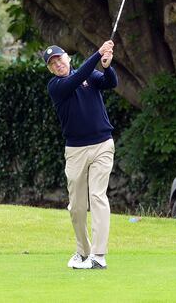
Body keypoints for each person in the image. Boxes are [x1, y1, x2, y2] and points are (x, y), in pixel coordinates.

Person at [45, 40, 117, 270]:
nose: (58, 65)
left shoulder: (90, 75)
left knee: (98, 196)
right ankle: (83, 252)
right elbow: (75, 81)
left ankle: (98, 255)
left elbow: (110, 83)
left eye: (60, 59)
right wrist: (98, 53)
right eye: (52, 64)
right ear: (50, 69)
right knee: (76, 206)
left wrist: (106, 66)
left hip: (103, 145)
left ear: (68, 58)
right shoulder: (55, 86)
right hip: (75, 150)